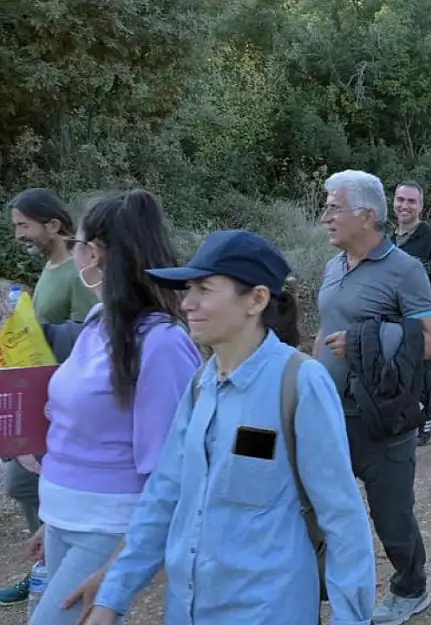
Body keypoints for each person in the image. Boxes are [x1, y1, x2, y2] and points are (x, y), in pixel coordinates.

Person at [82, 229, 378, 624]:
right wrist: (111, 598)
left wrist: (352, 618)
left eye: (205, 288)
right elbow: (163, 498)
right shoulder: (200, 386)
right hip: (187, 611)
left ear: (256, 299)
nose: (187, 303)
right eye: (188, 289)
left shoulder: (300, 382)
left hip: (267, 611)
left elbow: (341, 516)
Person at [16, 190, 202, 625]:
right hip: (65, 514)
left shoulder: (162, 343)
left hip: (109, 525)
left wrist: (123, 562)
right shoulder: (99, 322)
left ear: (95, 254)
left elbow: (171, 468)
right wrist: (53, 519)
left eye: (78, 244)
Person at [316, 170, 431, 625]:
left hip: (383, 418)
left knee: (391, 514)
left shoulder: (405, 270)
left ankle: (412, 588)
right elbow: (324, 330)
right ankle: (314, 589)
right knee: (313, 502)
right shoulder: (334, 267)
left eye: (335, 208)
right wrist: (308, 383)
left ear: (368, 216)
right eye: (327, 206)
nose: (326, 216)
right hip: (331, 412)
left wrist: (363, 341)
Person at [1, 188, 101, 607]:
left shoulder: (77, 272)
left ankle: (55, 570)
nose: (19, 234)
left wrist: (37, 327)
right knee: (21, 482)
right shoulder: (49, 268)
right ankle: (49, 565)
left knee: (24, 482)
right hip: (42, 399)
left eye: (24, 225)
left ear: (53, 225)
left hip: (64, 404)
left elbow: (89, 334)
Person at [391, 180, 431, 446]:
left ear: (421, 206)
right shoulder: (388, 240)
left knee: (421, 367)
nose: (405, 206)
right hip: (391, 321)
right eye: (400, 200)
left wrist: (426, 314)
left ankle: (427, 413)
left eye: (411, 201)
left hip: (419, 320)